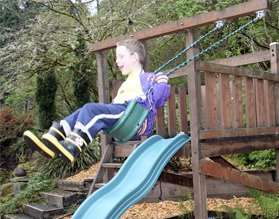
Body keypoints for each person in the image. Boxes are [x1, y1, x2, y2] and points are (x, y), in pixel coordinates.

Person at [23, 39, 170, 163]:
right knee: (82, 112)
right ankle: (55, 138)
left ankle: (74, 145)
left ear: (135, 57)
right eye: (116, 57)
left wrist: (162, 82)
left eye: (121, 56)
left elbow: (158, 99)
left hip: (130, 115)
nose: (117, 61)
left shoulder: (148, 78)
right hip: (120, 113)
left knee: (91, 109)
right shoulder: (126, 82)